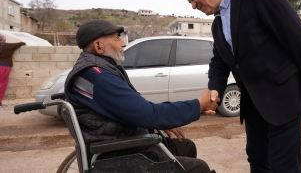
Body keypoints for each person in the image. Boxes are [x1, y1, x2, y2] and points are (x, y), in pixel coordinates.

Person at [182, 0, 301, 173]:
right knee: (257, 160)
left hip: (283, 97)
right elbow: (219, 61)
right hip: (253, 104)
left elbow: (296, 36)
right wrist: (215, 86)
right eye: (190, 2)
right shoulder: (217, 25)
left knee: (283, 165)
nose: (193, 6)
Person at [65, 19, 218, 173]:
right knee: (200, 168)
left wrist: (160, 122)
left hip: (126, 142)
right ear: (99, 46)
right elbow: (148, 114)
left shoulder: (101, 70)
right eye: (117, 38)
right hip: (120, 154)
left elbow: (136, 109)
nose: (123, 44)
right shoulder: (98, 77)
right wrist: (199, 104)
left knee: (186, 146)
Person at [0, 39, 25, 107]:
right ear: (4, 40)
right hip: (4, 67)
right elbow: (21, 43)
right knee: (2, 84)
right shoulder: (8, 46)